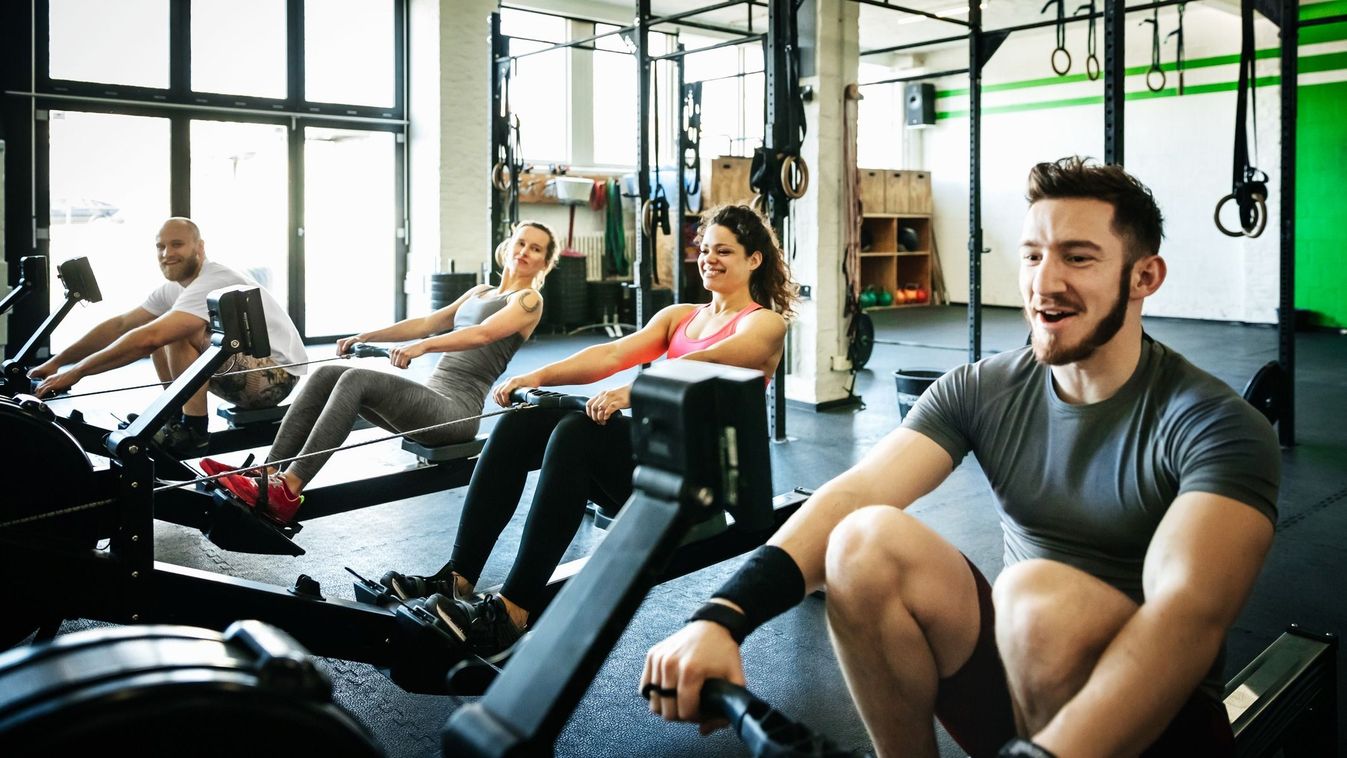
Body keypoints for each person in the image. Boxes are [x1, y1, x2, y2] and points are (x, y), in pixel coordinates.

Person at [641, 158, 1280, 757]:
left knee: (1037, 598)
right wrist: (721, 618)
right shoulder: (983, 388)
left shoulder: (1216, 423)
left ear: (1144, 276)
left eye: (1078, 258)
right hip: (1019, 679)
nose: (1044, 283)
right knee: (862, 539)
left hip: (1154, 719)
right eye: (1033, 256)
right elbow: (854, 496)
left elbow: (1187, 615)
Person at [379, 204, 799, 659]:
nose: (709, 258)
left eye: (725, 251)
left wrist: (634, 390)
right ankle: (458, 577)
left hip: (701, 489)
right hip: (654, 465)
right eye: (705, 249)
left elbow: (710, 361)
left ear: (754, 260)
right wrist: (536, 377)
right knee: (528, 420)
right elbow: (610, 353)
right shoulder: (682, 316)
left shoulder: (764, 324)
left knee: (578, 433)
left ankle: (513, 613)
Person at [202, 221, 559, 526]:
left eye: (537, 249)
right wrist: (366, 335)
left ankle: (289, 489)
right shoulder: (480, 291)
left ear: (546, 261)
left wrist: (424, 347)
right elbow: (427, 322)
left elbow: (483, 334)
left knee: (357, 380)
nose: (525, 251)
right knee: (329, 373)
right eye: (521, 242)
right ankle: (268, 473)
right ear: (507, 245)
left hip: (458, 412)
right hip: (433, 398)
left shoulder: (527, 301)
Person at [30, 217, 307, 457]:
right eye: (160, 246)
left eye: (177, 244)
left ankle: (193, 431)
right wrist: (58, 363)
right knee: (162, 331)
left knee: (173, 333)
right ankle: (174, 420)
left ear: (200, 248)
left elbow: (150, 337)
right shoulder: (174, 289)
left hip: (276, 375)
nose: (166, 253)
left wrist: (78, 372)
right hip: (246, 368)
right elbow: (122, 324)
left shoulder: (214, 278)